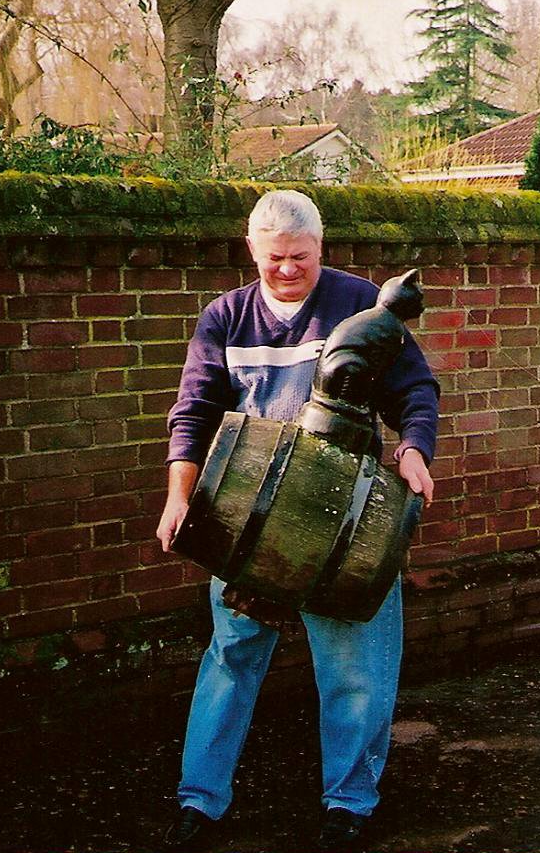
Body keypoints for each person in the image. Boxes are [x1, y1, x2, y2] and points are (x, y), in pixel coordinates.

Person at [155, 190, 439, 852]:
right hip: (245, 521)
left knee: (355, 667)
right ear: (252, 251)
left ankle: (349, 804)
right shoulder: (225, 318)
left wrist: (413, 448)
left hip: (341, 520)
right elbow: (192, 414)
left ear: (321, 248)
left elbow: (415, 390)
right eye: (274, 258)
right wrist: (178, 496)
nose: (287, 270)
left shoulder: (358, 306)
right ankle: (200, 800)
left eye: (300, 258)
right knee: (231, 656)